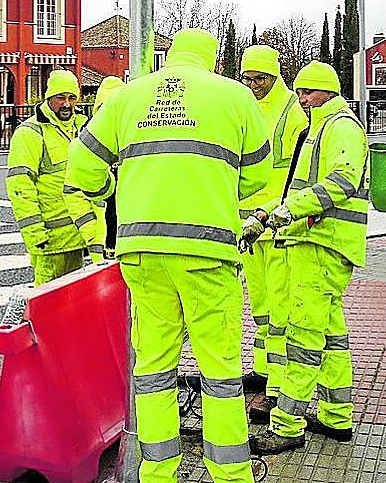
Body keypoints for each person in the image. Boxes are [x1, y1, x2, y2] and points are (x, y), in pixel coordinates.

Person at [66, 29, 272, 483]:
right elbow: (258, 177)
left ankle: (158, 473)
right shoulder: (234, 97)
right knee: (219, 371)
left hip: (141, 253)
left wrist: (116, 190)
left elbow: (82, 168)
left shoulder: (129, 97)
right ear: (212, 59)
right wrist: (215, 189)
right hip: (207, 252)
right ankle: (231, 473)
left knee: (155, 368)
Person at [242, 60, 369, 456]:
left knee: (302, 335)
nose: (303, 100)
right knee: (331, 337)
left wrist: (288, 211)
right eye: (299, 92)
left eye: (309, 92)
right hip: (315, 242)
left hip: (322, 243)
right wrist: (266, 216)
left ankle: (287, 425)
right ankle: (336, 416)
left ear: (328, 92)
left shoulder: (341, 126)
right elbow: (299, 187)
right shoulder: (319, 127)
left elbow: (343, 181)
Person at [235, 46, 309, 424]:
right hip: (249, 224)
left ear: (275, 76)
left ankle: (277, 387)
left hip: (277, 224)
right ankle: (263, 371)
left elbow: (298, 173)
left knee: (280, 309)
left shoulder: (291, 113)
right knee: (261, 308)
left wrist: (281, 214)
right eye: (247, 78)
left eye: (259, 78)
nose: (252, 84)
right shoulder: (246, 106)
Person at [5, 69, 87, 285]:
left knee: (74, 303)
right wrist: (34, 234)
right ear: (48, 98)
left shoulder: (83, 127)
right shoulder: (30, 132)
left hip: (79, 235)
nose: (66, 104)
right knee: (47, 302)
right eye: (60, 98)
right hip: (50, 239)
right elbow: (20, 186)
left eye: (71, 98)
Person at [65, 75, 125, 262]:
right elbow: (74, 190)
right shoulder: (89, 140)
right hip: (101, 238)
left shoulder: (132, 138)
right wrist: (91, 233)